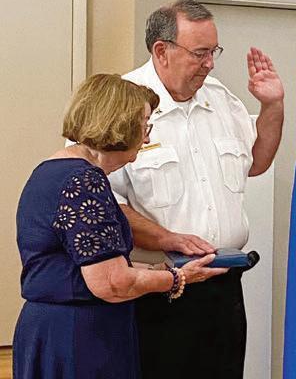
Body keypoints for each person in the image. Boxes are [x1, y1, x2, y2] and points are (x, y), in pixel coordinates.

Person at [108, 0, 284, 378]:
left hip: (223, 285)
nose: (210, 64)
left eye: (213, 52)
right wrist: (168, 239)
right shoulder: (122, 103)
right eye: (199, 53)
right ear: (162, 51)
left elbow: (257, 162)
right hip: (159, 288)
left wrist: (272, 107)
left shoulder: (221, 100)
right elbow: (110, 204)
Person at [13, 74, 226, 379]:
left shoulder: (51, 170)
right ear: (119, 124)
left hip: (53, 329)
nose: (147, 138)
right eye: (144, 125)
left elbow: (82, 263)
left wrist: (152, 270)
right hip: (80, 336)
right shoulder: (84, 181)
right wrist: (178, 278)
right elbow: (111, 283)